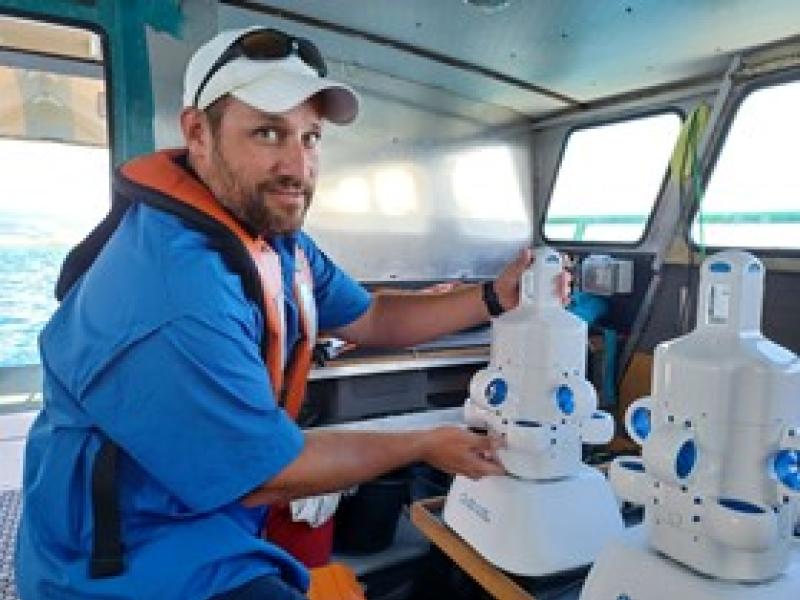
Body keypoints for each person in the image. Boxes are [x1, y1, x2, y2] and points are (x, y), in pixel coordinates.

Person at [15, 26, 559, 600]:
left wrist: (497, 298)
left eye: (311, 136)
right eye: (268, 133)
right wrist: (421, 443)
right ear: (198, 133)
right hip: (123, 562)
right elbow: (267, 474)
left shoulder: (272, 241)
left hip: (206, 522)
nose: (297, 166)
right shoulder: (176, 298)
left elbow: (373, 317)